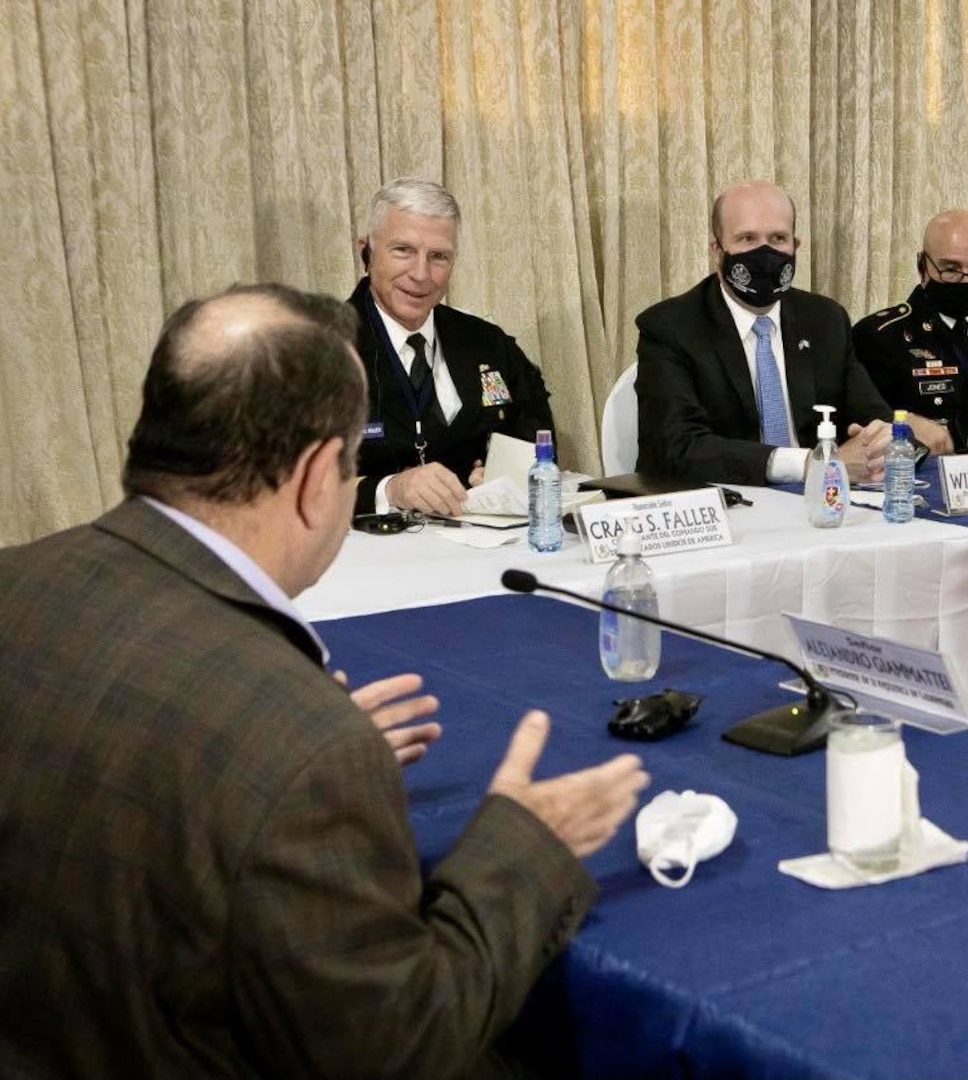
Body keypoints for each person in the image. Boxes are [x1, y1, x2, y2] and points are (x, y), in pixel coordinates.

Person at [0, 284, 649, 1077]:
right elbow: (400, 1049)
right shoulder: (302, 742)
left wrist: (264, 772)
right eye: (351, 468)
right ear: (316, 480)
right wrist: (525, 848)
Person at [634, 180, 951, 485]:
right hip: (728, 508)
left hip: (822, 505)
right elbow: (677, 449)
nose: (764, 253)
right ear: (716, 250)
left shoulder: (825, 320)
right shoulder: (671, 327)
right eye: (747, 239)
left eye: (777, 239)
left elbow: (869, 414)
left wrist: (890, 435)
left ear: (795, 246)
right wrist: (814, 464)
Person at [348, 178, 554, 516]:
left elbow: (537, 437)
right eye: (403, 250)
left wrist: (508, 475)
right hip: (362, 548)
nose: (421, 274)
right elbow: (284, 485)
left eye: (438, 257)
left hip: (477, 541)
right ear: (366, 253)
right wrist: (389, 489)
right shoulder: (316, 351)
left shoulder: (486, 343)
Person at [853, 210, 968, 448]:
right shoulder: (881, 336)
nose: (966, 280)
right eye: (951, 269)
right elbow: (862, 426)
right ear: (922, 266)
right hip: (925, 476)